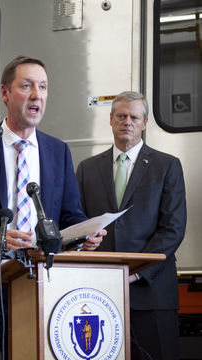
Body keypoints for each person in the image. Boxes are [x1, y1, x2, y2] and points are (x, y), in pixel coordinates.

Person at [0, 55, 105, 360]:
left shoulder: (58, 151)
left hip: (42, 287)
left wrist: (84, 235)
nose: (37, 95)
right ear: (5, 93)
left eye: (43, 87)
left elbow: (71, 216)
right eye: (26, 86)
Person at [76, 91, 186, 360]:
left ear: (145, 122)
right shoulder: (86, 168)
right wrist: (81, 240)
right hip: (100, 294)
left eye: (134, 117)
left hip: (152, 293)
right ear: (111, 120)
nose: (127, 122)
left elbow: (172, 228)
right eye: (121, 116)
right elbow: (77, 221)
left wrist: (136, 273)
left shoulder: (167, 166)